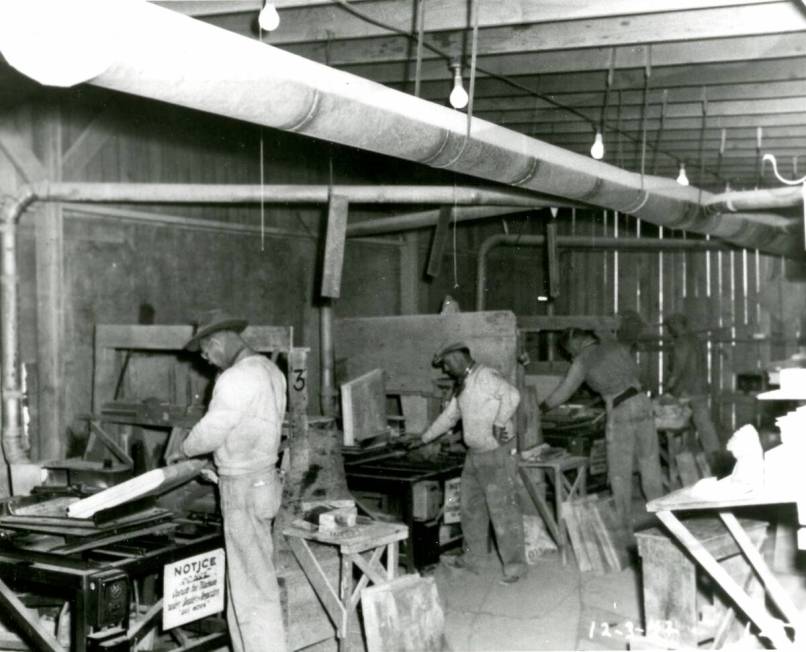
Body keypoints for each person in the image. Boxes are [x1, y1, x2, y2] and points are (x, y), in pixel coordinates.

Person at [180, 310, 287, 652]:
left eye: (206, 352)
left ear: (217, 341)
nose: (207, 360)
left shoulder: (235, 378)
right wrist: (218, 460)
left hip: (243, 490)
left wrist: (184, 450)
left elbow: (211, 432)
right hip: (264, 482)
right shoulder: (271, 371)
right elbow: (247, 430)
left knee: (252, 589)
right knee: (251, 582)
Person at [418, 342, 527, 584]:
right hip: (475, 455)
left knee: (503, 512)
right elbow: (449, 417)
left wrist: (499, 424)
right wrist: (423, 439)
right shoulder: (465, 384)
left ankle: (515, 568)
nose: (445, 370)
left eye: (446, 364)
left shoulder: (485, 376)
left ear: (457, 358)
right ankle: (475, 559)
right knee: (470, 510)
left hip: (495, 454)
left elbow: (513, 395)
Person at [538, 328, 663, 525]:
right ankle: (661, 512)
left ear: (574, 344)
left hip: (621, 410)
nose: (571, 356)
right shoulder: (614, 346)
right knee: (649, 461)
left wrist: (542, 408)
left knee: (619, 469)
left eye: (569, 351)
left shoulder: (582, 360)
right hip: (642, 403)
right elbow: (637, 372)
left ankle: (623, 519)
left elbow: (565, 391)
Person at [664, 313, 721, 455]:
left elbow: (678, 370)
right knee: (704, 424)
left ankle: (679, 457)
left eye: (670, 326)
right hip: (700, 388)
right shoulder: (695, 340)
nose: (670, 330)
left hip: (686, 390)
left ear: (677, 324)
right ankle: (715, 455)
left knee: (674, 424)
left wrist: (669, 388)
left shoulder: (681, 342)